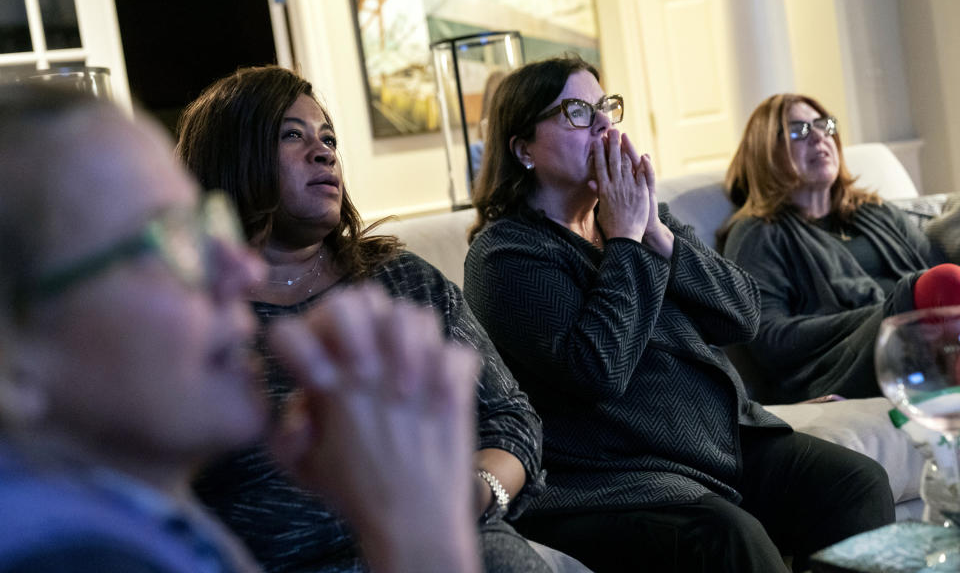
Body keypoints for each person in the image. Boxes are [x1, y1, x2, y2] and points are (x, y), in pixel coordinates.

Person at [0, 83, 482, 573]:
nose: (244, 271)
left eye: (204, 225)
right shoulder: (69, 556)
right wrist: (415, 525)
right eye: (167, 238)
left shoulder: (140, 519)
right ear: (12, 361)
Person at [463, 56, 896, 573]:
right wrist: (625, 238)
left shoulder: (645, 215)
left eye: (605, 107)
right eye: (576, 111)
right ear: (523, 149)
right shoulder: (506, 255)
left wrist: (656, 235)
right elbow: (598, 368)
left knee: (857, 484)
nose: (603, 122)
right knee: (729, 536)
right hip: (622, 474)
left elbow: (743, 314)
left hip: (722, 444)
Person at [175, 66, 565, 573]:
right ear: (231, 157)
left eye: (328, 137)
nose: (324, 151)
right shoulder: (192, 320)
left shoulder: (402, 282)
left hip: (458, 547)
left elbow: (511, 420)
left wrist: (472, 495)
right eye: (292, 135)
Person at [720, 93, 960, 404]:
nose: (819, 136)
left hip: (923, 340)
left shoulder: (877, 212)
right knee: (941, 283)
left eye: (825, 126)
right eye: (799, 131)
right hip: (836, 366)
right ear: (765, 153)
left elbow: (937, 276)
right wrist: (889, 316)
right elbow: (769, 338)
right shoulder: (757, 232)